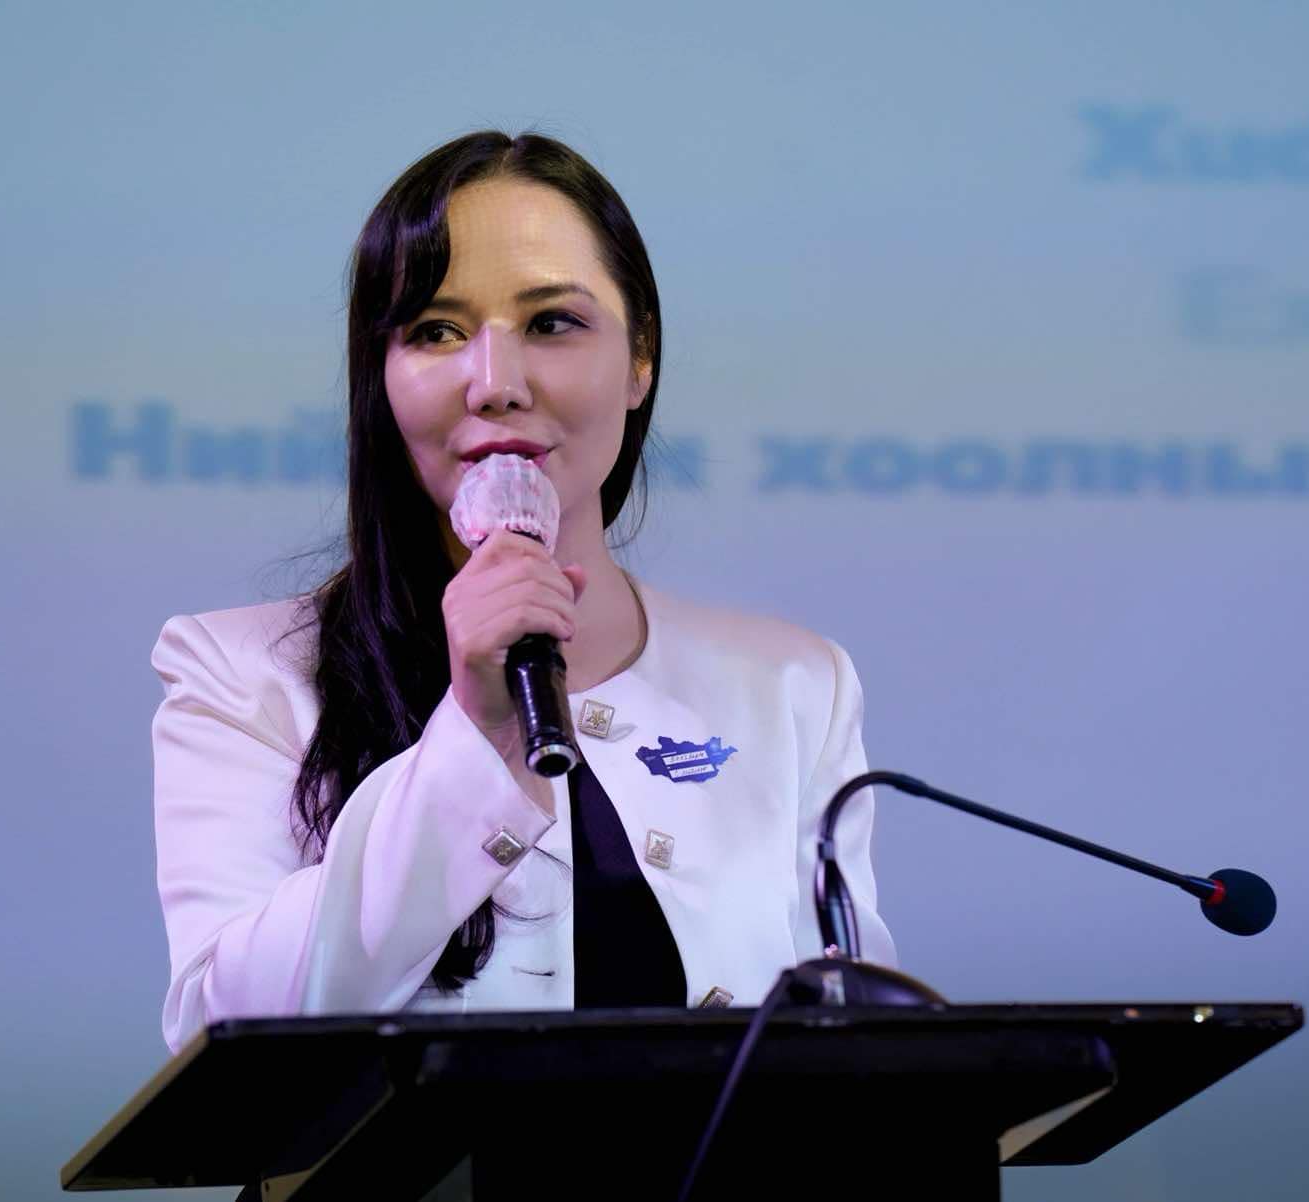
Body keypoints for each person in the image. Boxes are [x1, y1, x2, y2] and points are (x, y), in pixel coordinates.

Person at [150, 130, 897, 1057]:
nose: (495, 384)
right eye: (435, 332)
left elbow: (859, 1047)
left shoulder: (794, 687)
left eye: (552, 323)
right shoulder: (242, 678)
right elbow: (225, 1036)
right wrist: (472, 729)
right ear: (378, 378)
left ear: (641, 361)